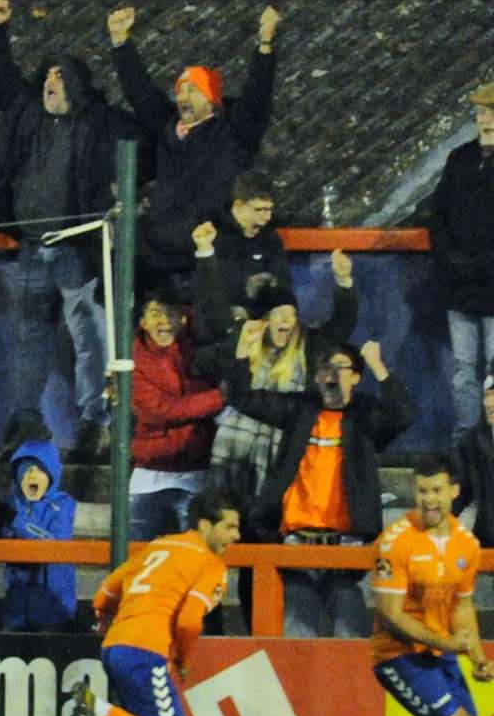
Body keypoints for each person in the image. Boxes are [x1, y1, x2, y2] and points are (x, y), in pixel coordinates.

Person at [0, 0, 134, 463]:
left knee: (90, 336)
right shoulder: (27, 114)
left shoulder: (99, 122)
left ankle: (95, 423)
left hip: (78, 248)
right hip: (34, 246)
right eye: (48, 76)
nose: (50, 83)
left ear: (78, 85)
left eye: (60, 77)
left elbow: (148, 127)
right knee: (29, 338)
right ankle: (23, 422)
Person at [71, 490, 242, 716]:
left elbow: (104, 592)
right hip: (146, 653)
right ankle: (95, 706)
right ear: (205, 525)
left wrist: (105, 620)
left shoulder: (159, 546)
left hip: (115, 646)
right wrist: (182, 658)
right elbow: (190, 620)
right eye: (230, 527)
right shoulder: (210, 564)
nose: (236, 536)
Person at [223, 340, 414, 638]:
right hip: (297, 541)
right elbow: (240, 396)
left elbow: (402, 415)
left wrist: (377, 365)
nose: (333, 375)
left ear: (356, 377)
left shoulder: (365, 416)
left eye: (341, 368)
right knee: (298, 631)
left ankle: (352, 686)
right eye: (326, 368)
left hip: (347, 543)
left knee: (350, 631)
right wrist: (243, 352)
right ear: (316, 377)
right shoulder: (301, 409)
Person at [353, 456, 493, 716]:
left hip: (439, 652)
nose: (428, 500)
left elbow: (462, 605)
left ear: (454, 492)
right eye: (421, 491)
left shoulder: (467, 545)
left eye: (436, 491)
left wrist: (477, 656)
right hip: (397, 656)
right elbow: (391, 613)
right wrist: (447, 642)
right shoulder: (395, 542)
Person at [106, 4, 280, 293]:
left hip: (209, 257)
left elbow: (257, 96)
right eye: (180, 89)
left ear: (212, 98)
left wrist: (265, 46)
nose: (183, 95)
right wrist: (121, 43)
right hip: (159, 256)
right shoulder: (166, 128)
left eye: (193, 89)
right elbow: (140, 90)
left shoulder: (232, 134)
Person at [197, 249, 359, 520]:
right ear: (264, 319)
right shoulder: (243, 342)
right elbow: (214, 311)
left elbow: (342, 325)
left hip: (283, 451)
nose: (287, 320)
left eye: (292, 313)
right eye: (279, 313)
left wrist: (344, 282)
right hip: (235, 449)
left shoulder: (308, 346)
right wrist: (207, 254)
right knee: (231, 522)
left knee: (271, 525)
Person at [427, 82, 494, 441]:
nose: (485, 119)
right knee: (463, 369)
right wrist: (452, 259)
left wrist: (476, 263)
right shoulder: (461, 159)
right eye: (482, 112)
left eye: (490, 112)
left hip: (484, 285)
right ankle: (468, 441)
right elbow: (437, 214)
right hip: (461, 288)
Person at [128, 292, 224, 541]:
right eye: (156, 313)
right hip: (149, 472)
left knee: (192, 560)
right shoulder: (132, 359)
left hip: (195, 472)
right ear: (143, 322)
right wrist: (218, 398)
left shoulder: (201, 351)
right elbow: (161, 409)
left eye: (171, 314)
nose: (164, 321)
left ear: (183, 319)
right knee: (140, 558)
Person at [0, 438, 78, 632]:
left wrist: (16, 521)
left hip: (52, 608)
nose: (33, 475)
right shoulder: (11, 505)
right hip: (17, 605)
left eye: (40, 470)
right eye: (27, 470)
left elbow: (53, 543)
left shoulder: (63, 504)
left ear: (51, 475)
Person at [190, 170, 292, 326]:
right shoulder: (210, 235)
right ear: (238, 205)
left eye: (270, 209)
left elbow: (284, 287)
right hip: (218, 328)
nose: (267, 217)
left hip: (261, 328)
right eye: (259, 210)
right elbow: (204, 290)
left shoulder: (270, 240)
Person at [454, 376, 494, 550]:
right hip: (488, 542)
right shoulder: (471, 442)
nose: (489, 403)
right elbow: (460, 492)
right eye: (487, 395)